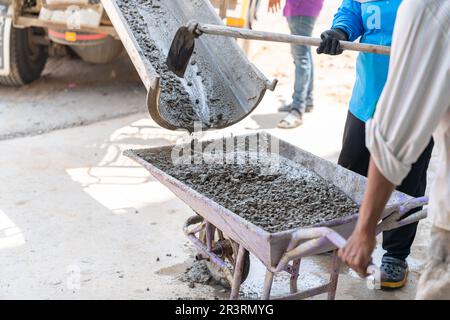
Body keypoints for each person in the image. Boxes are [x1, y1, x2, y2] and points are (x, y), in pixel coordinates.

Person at [317, 0, 434, 290]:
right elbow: (352, 11)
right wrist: (340, 31)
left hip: (419, 100)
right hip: (368, 97)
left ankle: (395, 255)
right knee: (350, 168)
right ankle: (340, 234)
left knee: (407, 182)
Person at [268, 0, 324, 129]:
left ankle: (298, 108)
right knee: (305, 54)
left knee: (301, 57)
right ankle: (306, 101)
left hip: (301, 7)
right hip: (303, 8)